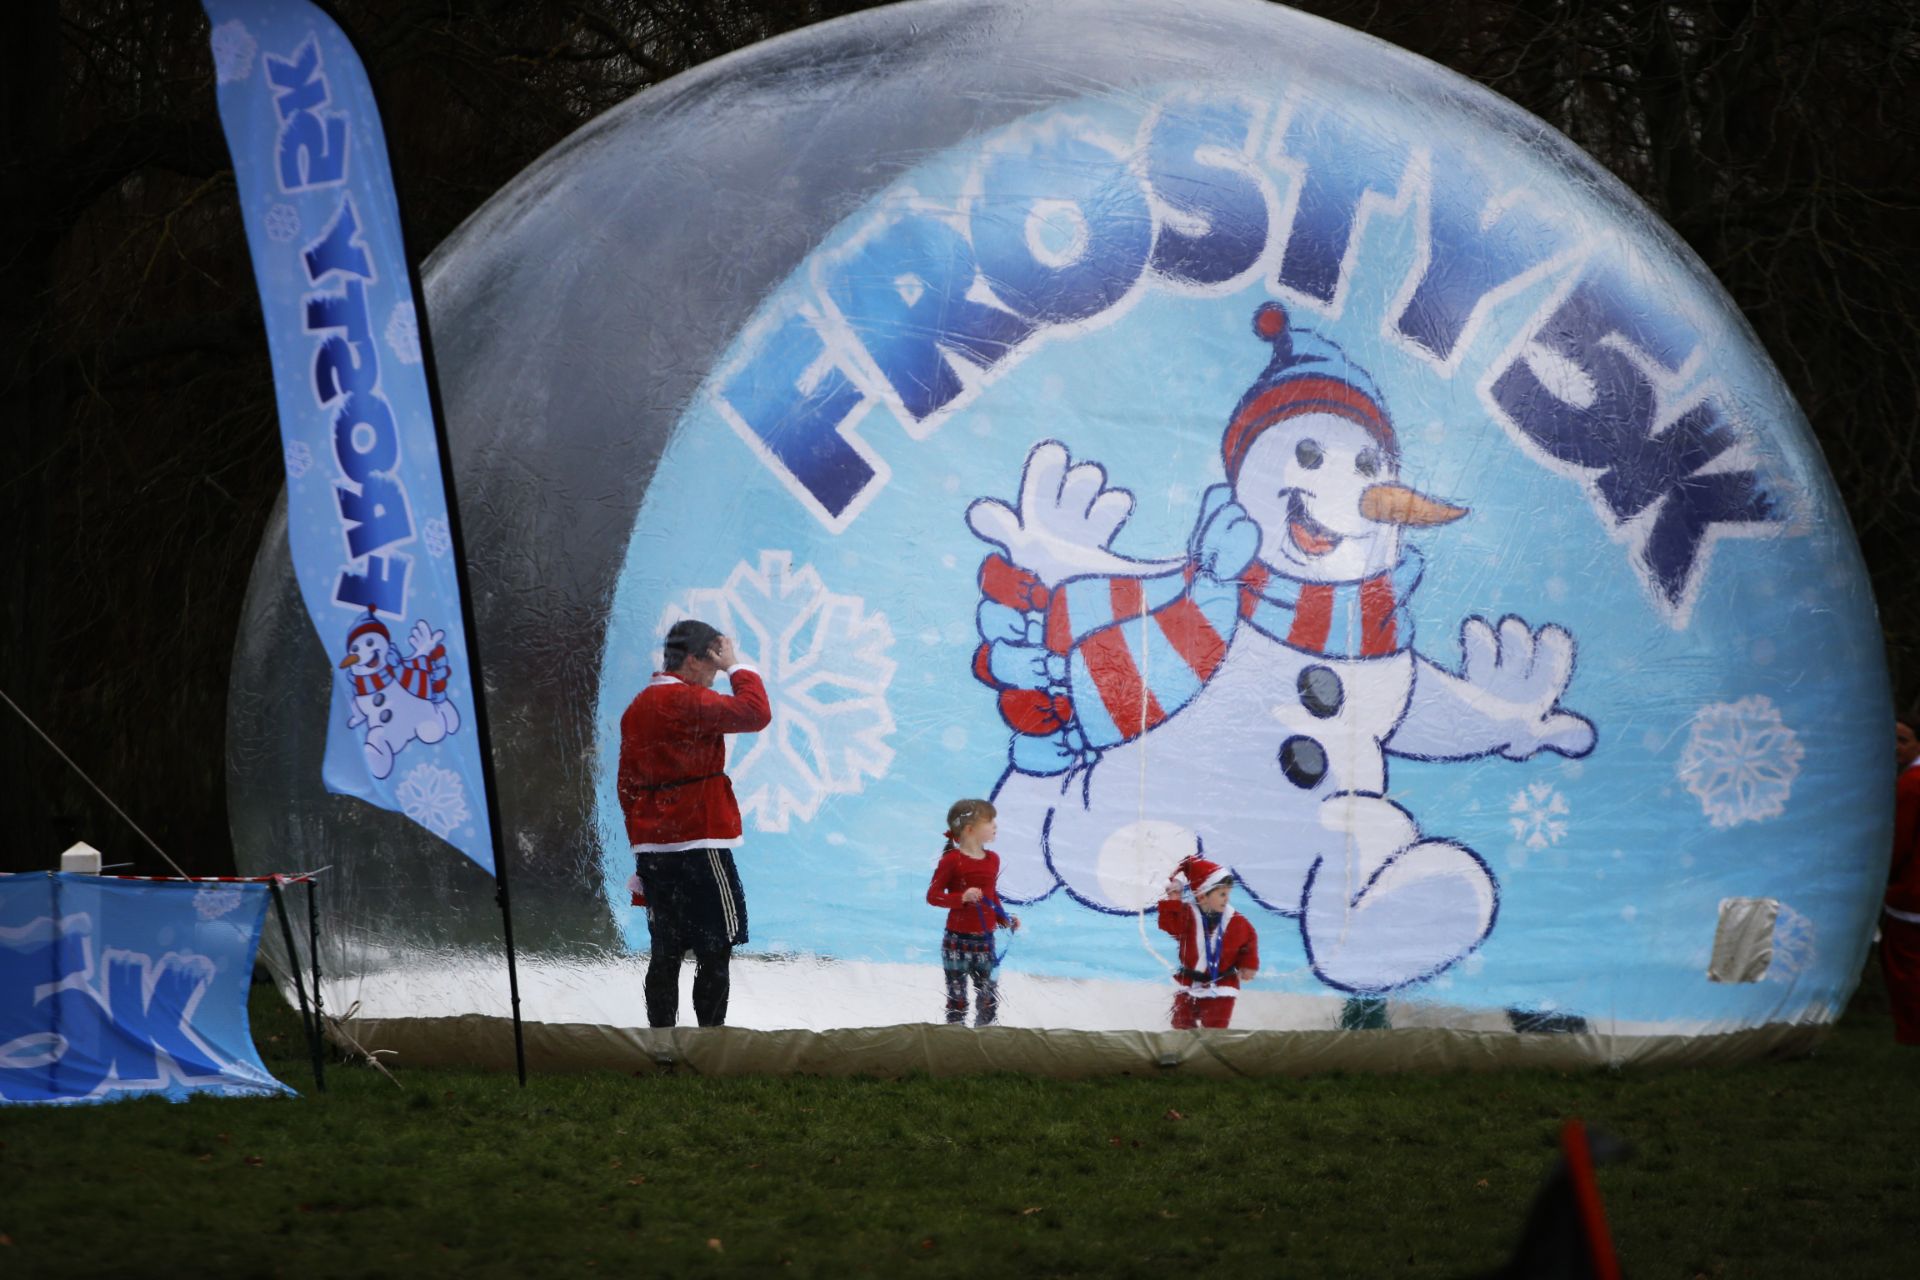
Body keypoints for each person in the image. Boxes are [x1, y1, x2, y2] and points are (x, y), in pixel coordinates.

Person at [617, 619, 771, 1028]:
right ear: (693, 660)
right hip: (699, 842)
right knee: (714, 947)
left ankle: (661, 1043)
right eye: (712, 665)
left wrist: (642, 839)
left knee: (665, 951)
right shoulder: (687, 701)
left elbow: (626, 784)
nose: (714, 677)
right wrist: (736, 666)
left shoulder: (636, 708)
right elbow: (755, 712)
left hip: (654, 848)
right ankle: (710, 1040)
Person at [925, 798, 1019, 1026]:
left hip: (985, 942)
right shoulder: (951, 860)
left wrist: (1004, 919)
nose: (995, 826)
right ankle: (955, 1041)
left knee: (988, 999)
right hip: (956, 941)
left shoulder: (993, 860)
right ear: (970, 829)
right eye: (989, 822)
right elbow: (933, 895)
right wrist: (961, 898)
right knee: (957, 1000)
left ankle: (985, 1040)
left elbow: (992, 895)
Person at [1158, 855, 1259, 1029]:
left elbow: (1249, 940)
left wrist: (1248, 964)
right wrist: (1173, 900)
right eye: (1222, 894)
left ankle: (1212, 1052)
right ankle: (1183, 1050)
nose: (1227, 898)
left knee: (1216, 1027)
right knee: (1181, 1023)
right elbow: (1169, 926)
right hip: (1189, 981)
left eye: (1228, 894)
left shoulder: (1236, 921)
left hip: (1222, 984)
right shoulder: (1188, 914)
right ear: (1203, 896)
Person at [1883, 713, 1920, 1045]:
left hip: (1912, 891)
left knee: (1905, 967)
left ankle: (1911, 1033)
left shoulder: (1910, 784)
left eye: (1903, 740)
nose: (1895, 747)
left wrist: (1884, 877)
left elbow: (1900, 841)